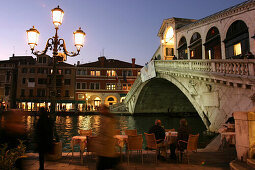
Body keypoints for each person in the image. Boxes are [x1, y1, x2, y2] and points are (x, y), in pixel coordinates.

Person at [96, 105, 119, 170]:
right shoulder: (106, 119)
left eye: (102, 109)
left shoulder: (108, 120)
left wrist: (101, 143)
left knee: (101, 166)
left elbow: (108, 134)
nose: (100, 110)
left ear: (106, 110)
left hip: (105, 148)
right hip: (105, 148)